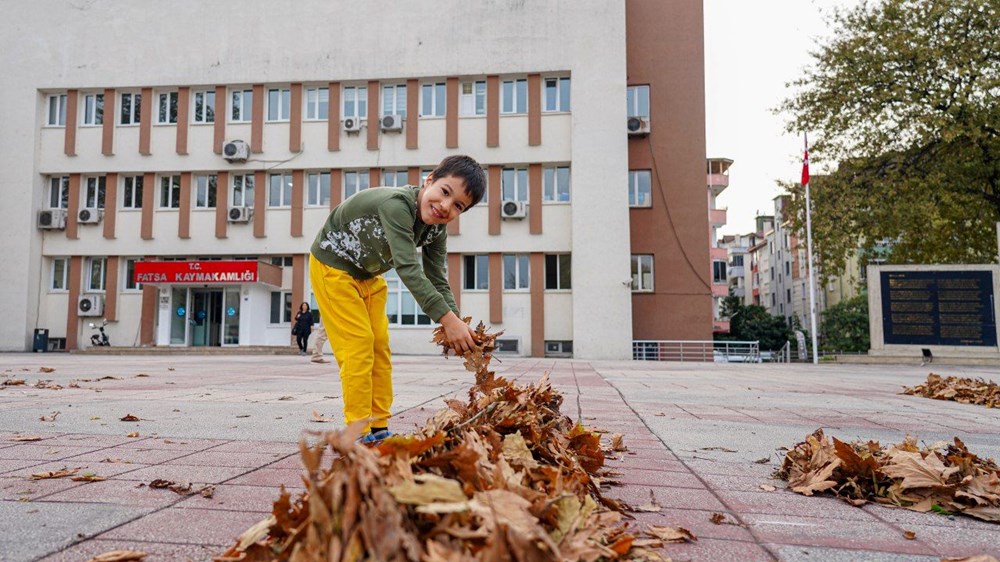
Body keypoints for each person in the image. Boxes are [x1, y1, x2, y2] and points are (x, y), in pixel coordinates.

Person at [309, 154, 485, 444]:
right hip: (333, 266)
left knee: (379, 346)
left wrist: (456, 324)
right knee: (359, 345)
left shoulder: (436, 230)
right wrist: (447, 320)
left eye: (458, 206)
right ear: (429, 181)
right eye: (444, 192)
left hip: (368, 275)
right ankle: (357, 431)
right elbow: (407, 268)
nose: (445, 207)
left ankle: (379, 428)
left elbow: (437, 278)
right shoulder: (397, 206)